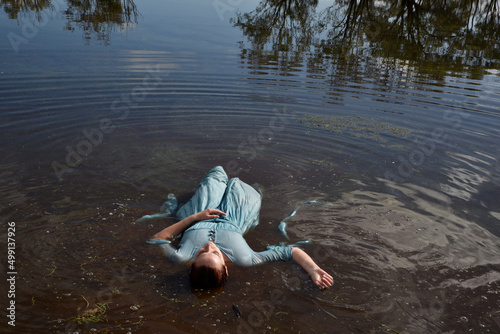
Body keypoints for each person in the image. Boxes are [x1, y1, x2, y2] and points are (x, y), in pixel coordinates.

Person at [150, 166, 333, 291]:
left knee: (218, 171)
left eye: (200, 253)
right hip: (235, 217)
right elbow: (290, 251)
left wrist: (196, 217)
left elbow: (156, 239)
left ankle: (213, 192)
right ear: (226, 269)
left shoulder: (180, 257)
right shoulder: (245, 259)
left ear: (192, 265)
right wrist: (313, 269)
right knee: (239, 184)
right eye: (215, 254)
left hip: (198, 212)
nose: (209, 246)